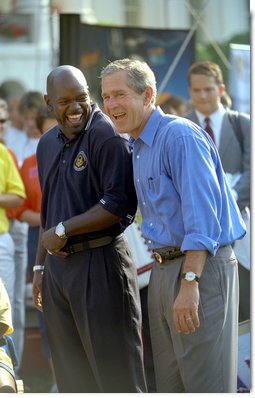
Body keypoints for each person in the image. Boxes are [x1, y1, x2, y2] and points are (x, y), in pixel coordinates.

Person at [100, 58, 246, 393]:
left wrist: (191, 281)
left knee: (204, 385)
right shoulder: (136, 146)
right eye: (106, 96)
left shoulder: (179, 136)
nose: (111, 105)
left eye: (119, 94)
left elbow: (203, 219)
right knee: (171, 386)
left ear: (148, 94)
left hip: (199, 271)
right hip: (163, 272)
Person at [32, 65, 147, 393]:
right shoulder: (45, 144)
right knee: (72, 376)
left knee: (116, 376)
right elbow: (48, 211)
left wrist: (65, 229)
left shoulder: (105, 134)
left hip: (102, 263)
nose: (76, 108)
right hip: (58, 271)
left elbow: (118, 204)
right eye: (65, 101)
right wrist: (40, 265)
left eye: (82, 98)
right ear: (49, 103)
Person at [185, 60, 250, 322]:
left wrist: (227, 198)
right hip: (198, 230)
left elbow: (251, 171)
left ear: (221, 89)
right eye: (197, 90)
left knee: (243, 301)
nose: (203, 96)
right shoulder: (183, 126)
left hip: (241, 225)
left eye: (209, 90)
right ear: (189, 92)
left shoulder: (242, 124)